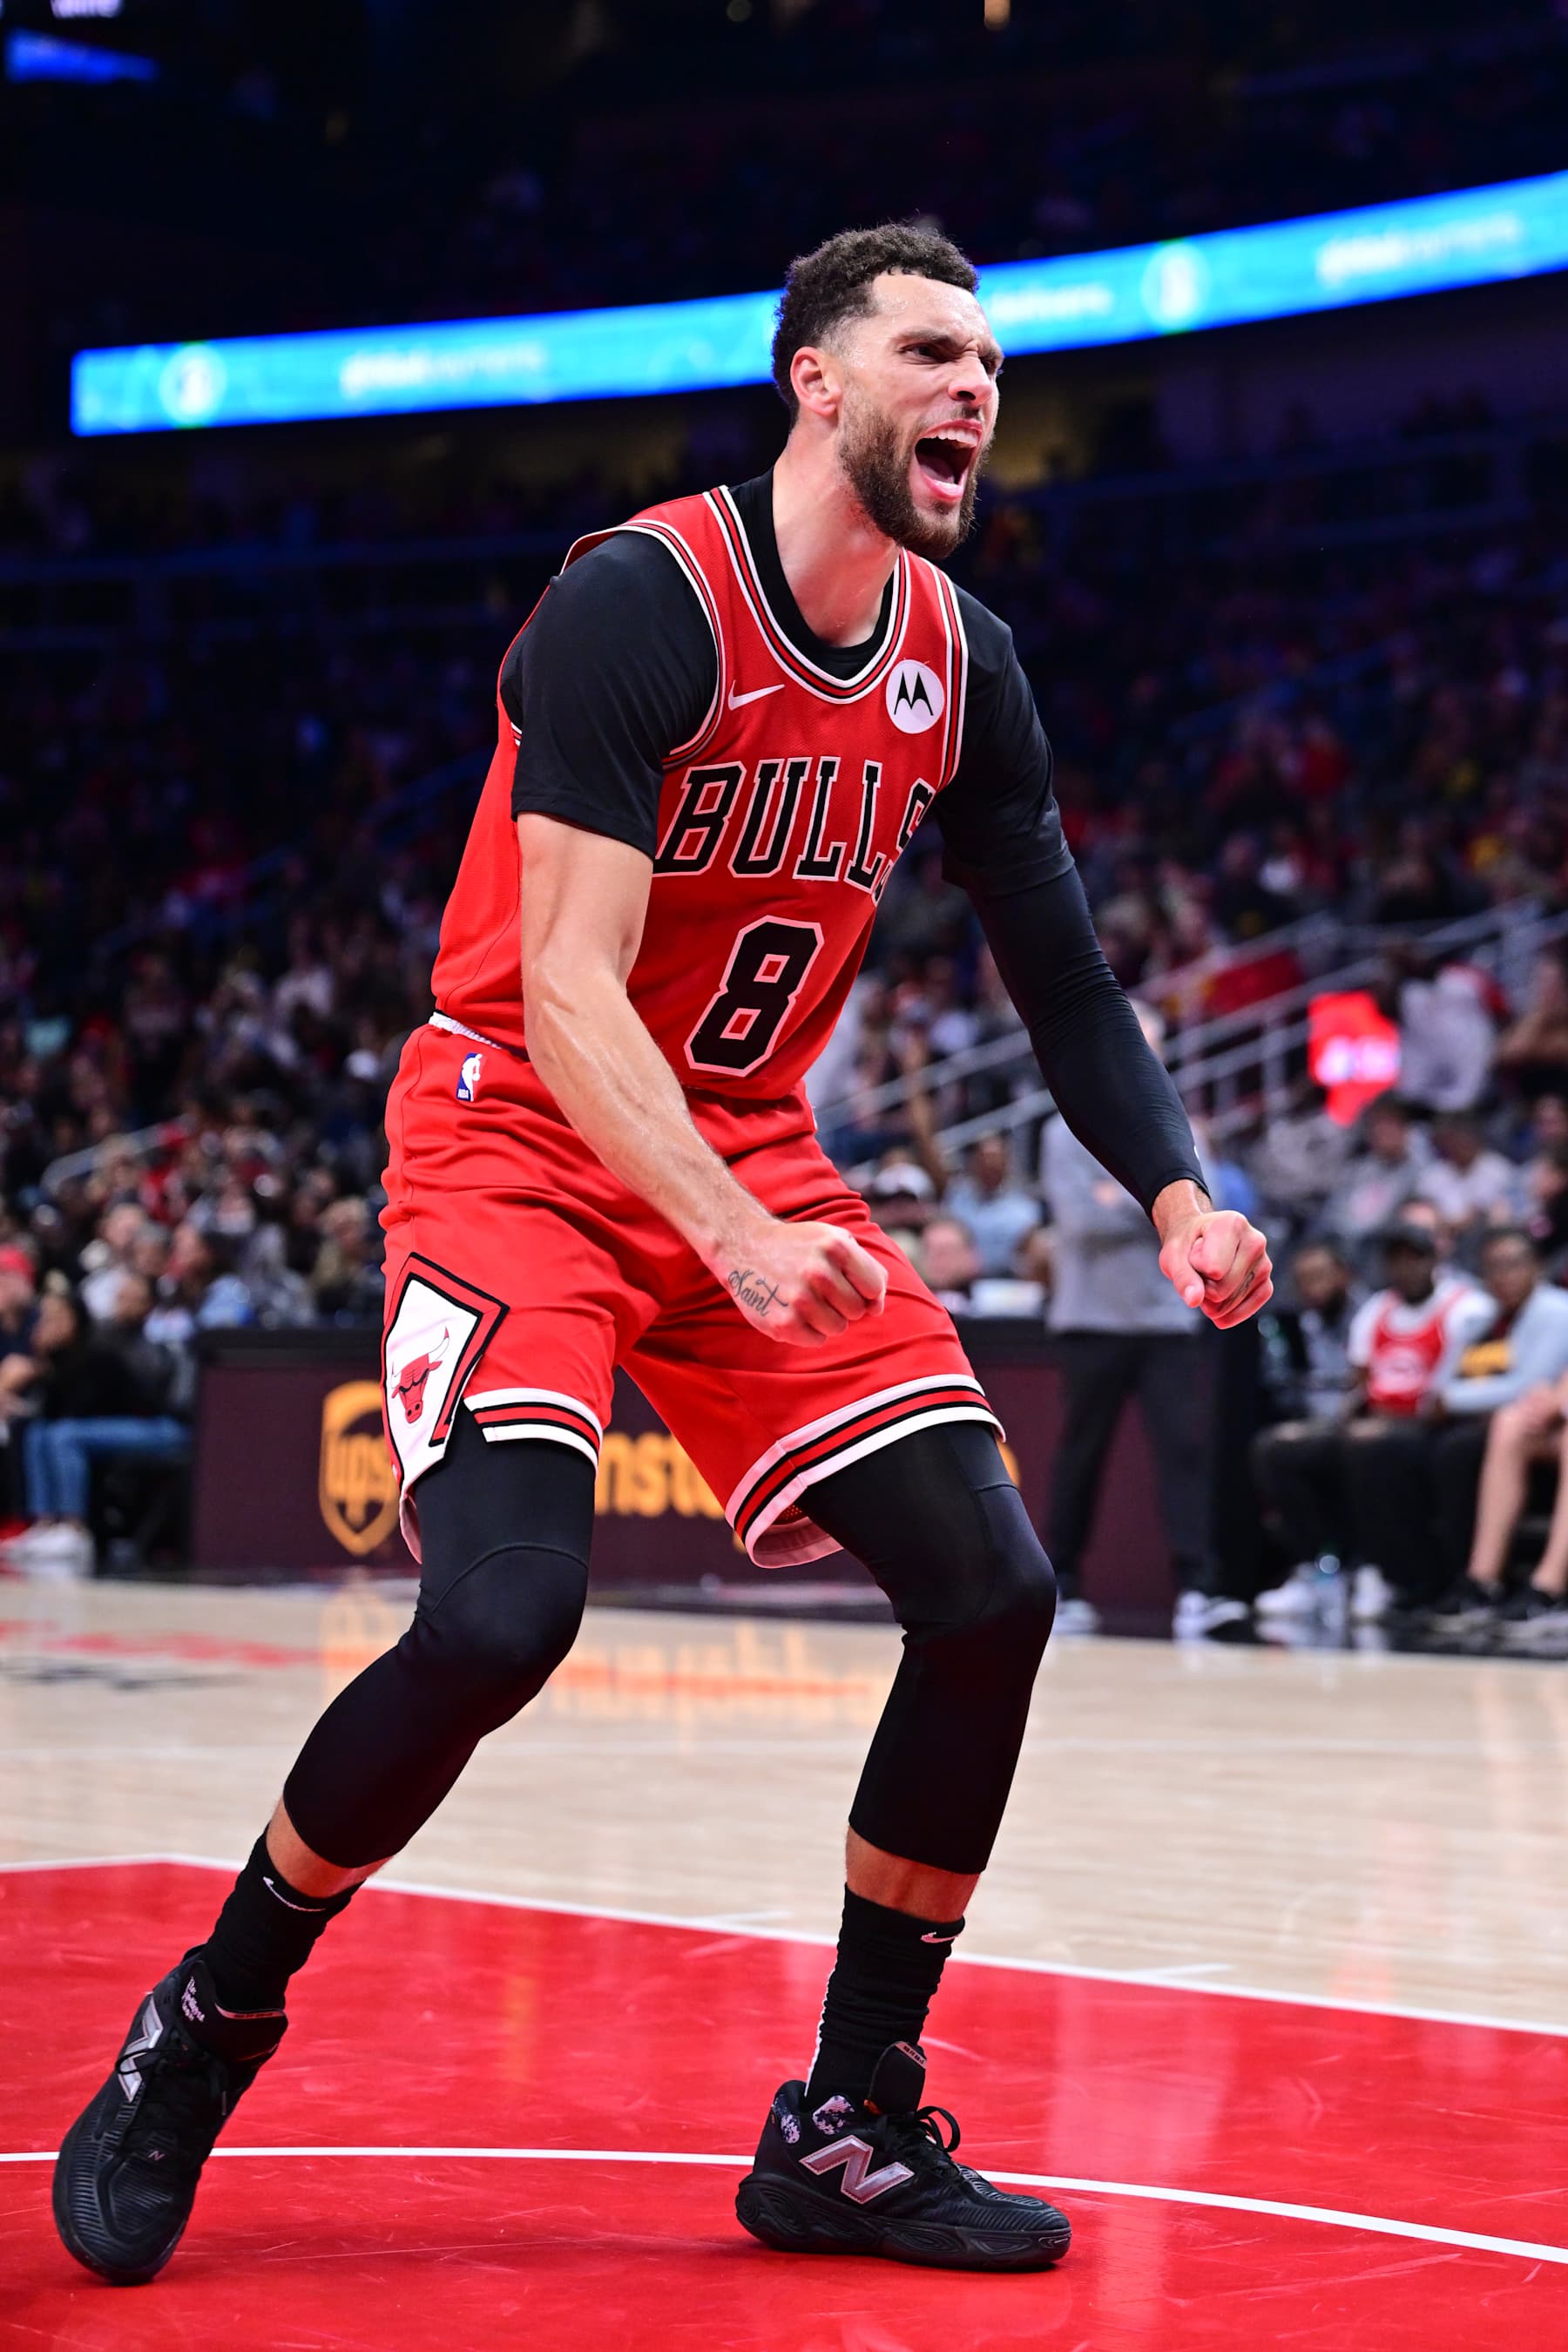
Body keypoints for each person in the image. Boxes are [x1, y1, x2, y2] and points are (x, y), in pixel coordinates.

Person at [55, 223, 1271, 2289]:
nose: (973, 384)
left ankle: (849, 2120)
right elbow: (568, 991)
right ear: (816, 375)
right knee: (507, 1609)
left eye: (990, 357)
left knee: (991, 1584)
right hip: (517, 1131)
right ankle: (209, 2018)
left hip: (747, 1152)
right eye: (927, 349)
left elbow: (1064, 981)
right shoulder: (641, 600)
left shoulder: (963, 664)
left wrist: (1173, 1186)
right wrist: (721, 1222)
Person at [1039, 1004, 1241, 1639]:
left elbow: (1209, 1219)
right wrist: (1160, 1207)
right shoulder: (1058, 1129)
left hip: (1167, 1316)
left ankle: (1197, 1590)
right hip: (1091, 1318)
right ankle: (1062, 1585)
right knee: (1080, 1456)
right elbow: (1081, 1223)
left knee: (1184, 1452)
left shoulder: (1184, 1129)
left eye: (1149, 1045)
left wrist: (1123, 1199)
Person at [1250, 1225, 1487, 1622]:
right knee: (1278, 1448)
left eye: (1414, 1258)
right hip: (1375, 1421)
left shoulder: (1466, 1307)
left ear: (1434, 1261)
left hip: (1436, 1426)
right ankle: (1323, 1568)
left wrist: (1386, 1423)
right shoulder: (1377, 1310)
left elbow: (1457, 1389)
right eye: (1395, 1259)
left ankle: (1386, 1572)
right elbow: (1360, 1387)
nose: (1405, 1268)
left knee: (1372, 1447)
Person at [1418, 1233, 1568, 1639]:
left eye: (1513, 1264)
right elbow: (1438, 1390)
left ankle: (1550, 1587)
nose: (1504, 1277)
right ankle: (1482, 1581)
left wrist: (1553, 1398)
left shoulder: (1556, 1311)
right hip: (1519, 1420)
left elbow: (1529, 1383)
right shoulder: (1479, 1319)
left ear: (1536, 1267)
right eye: (1494, 1268)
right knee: (1509, 1422)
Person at [0, 1287, 188, 1579]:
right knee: (38, 1433)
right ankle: (47, 1523)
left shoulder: (97, 1353)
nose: (45, 1327)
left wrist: (44, 1370)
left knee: (63, 1436)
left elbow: (85, 1409)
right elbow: (51, 1414)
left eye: (55, 1319)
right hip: (103, 1428)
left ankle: (74, 1529)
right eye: (44, 1320)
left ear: (74, 1321)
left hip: (158, 1428)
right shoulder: (56, 1361)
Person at [943, 1132, 1042, 1277]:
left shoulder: (1024, 1207)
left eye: (996, 1158)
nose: (990, 1165)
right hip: (962, 1281)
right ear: (973, 1162)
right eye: (984, 1158)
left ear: (1006, 1162)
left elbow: (1028, 1253)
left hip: (1009, 1282)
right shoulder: (956, 1198)